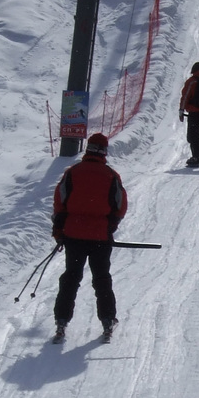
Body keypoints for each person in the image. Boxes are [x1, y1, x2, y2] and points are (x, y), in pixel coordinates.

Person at [51, 133, 128, 342]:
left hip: (73, 235)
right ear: (104, 152)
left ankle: (61, 321)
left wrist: (59, 230)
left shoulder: (73, 172)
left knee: (71, 277)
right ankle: (107, 320)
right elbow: (120, 206)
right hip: (100, 237)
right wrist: (110, 226)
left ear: (88, 148)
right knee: (101, 278)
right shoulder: (110, 175)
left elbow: (60, 203)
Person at [179, 60, 199, 166]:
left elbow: (185, 96)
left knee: (192, 135)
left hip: (193, 111)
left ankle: (197, 156)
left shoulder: (191, 81)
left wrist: (181, 110)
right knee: (197, 134)